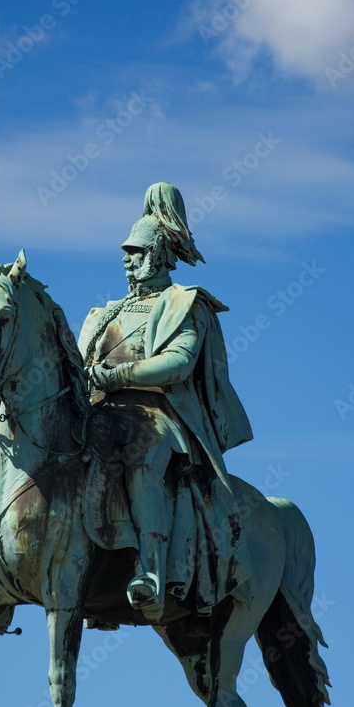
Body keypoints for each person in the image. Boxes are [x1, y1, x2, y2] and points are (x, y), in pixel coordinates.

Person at [78, 183, 253, 619]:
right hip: (97, 411)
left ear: (158, 253)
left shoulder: (184, 304)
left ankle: (149, 571)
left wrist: (118, 375)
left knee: (142, 453)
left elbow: (178, 363)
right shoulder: (105, 314)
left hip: (155, 414)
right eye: (126, 251)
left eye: (136, 251)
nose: (127, 259)